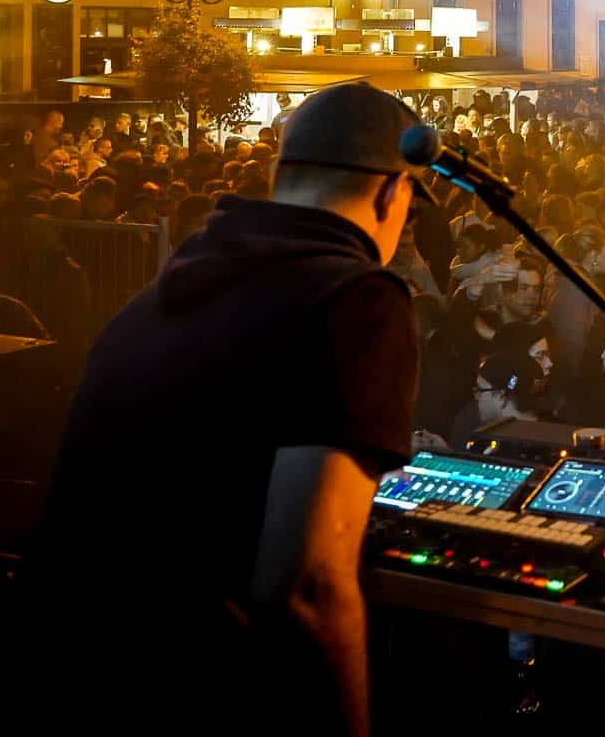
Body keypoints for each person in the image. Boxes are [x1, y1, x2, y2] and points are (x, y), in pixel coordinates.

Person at [28, 83, 422, 734]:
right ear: (391, 192)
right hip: (190, 694)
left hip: (66, 677)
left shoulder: (170, 289)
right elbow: (309, 589)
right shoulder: (357, 299)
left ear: (280, 174)